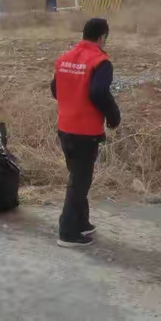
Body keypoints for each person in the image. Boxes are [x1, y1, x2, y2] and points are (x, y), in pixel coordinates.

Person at [51, 18, 120, 248]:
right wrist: (113, 116)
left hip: (65, 128)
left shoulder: (64, 59)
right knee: (80, 182)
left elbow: (55, 88)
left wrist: (71, 101)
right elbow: (99, 92)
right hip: (85, 131)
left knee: (78, 177)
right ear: (102, 37)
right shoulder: (100, 61)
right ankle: (68, 233)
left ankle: (81, 222)